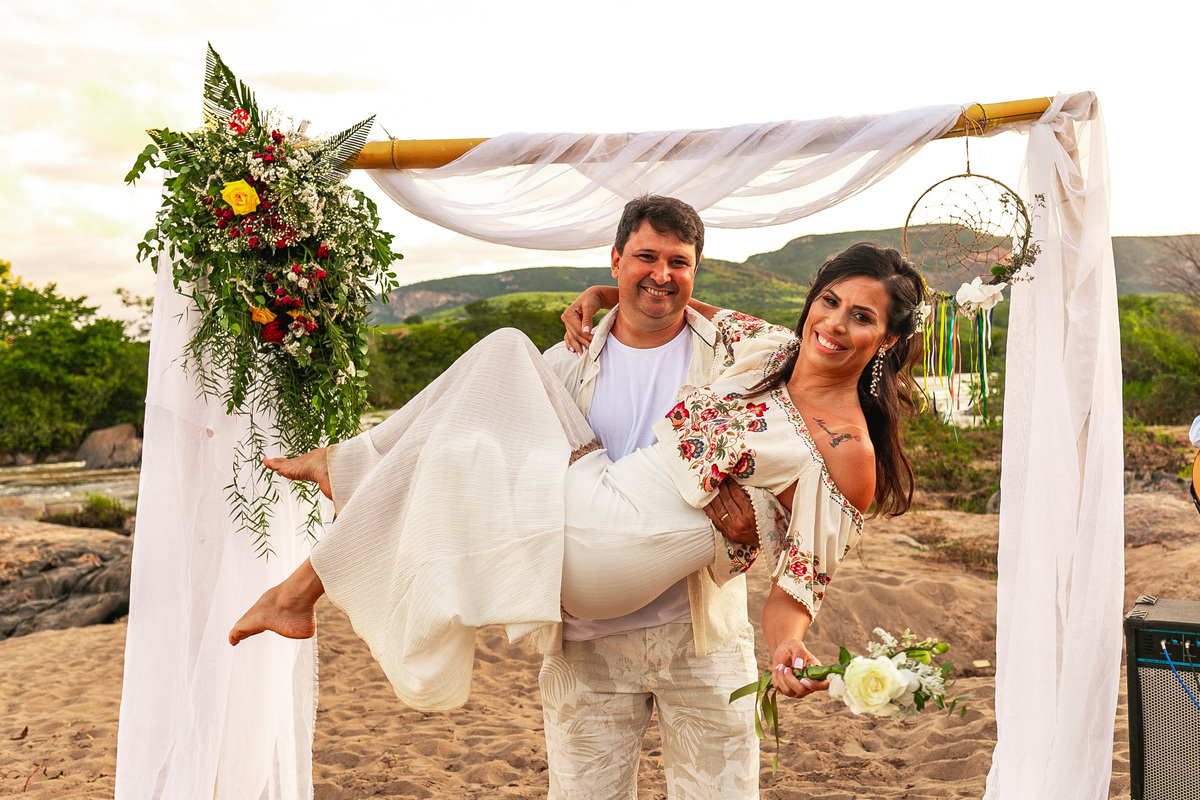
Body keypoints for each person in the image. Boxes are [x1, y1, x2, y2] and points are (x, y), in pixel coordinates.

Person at [230, 205, 924, 796]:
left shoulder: (847, 452)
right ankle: (306, 569)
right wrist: (600, 293)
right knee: (498, 364)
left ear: (888, 339)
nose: (833, 323)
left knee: (474, 427)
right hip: (590, 512)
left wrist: (789, 648)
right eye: (827, 302)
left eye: (861, 316)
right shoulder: (762, 348)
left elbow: (799, 589)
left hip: (635, 579)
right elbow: (676, 297)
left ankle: (338, 477)